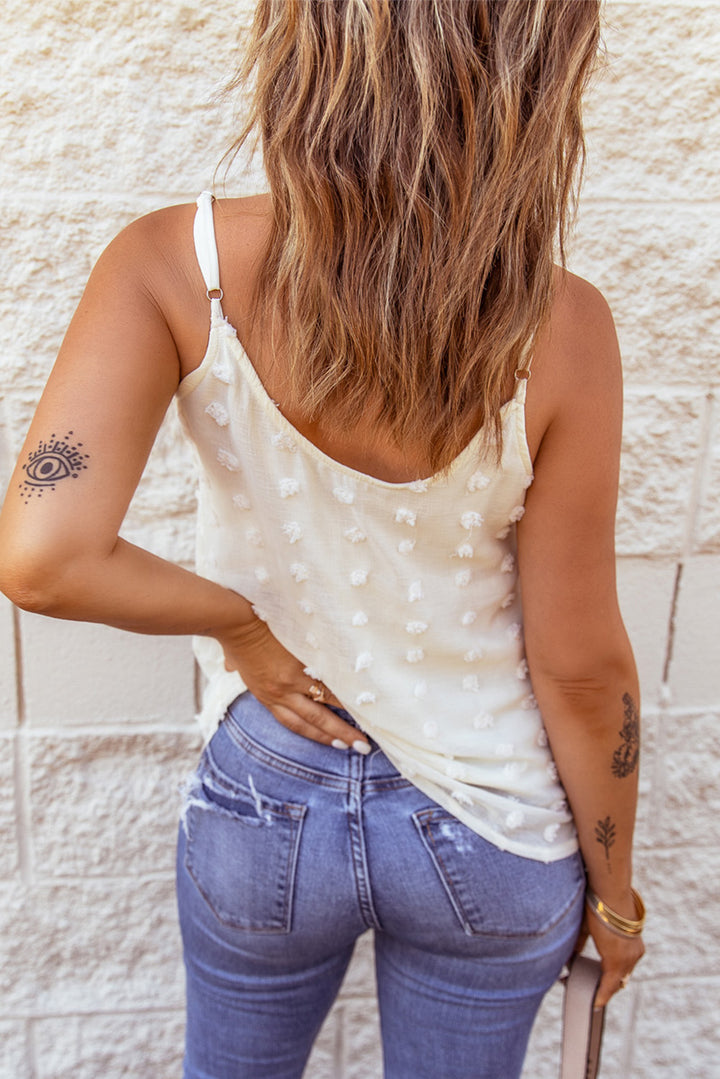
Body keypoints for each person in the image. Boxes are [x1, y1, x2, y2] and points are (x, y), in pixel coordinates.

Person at [0, 2, 645, 1076]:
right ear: (536, 89)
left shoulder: (174, 260)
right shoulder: (564, 327)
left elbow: (39, 552)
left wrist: (242, 627)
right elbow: (578, 667)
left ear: (304, 56)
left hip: (269, 796)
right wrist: (615, 903)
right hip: (492, 825)